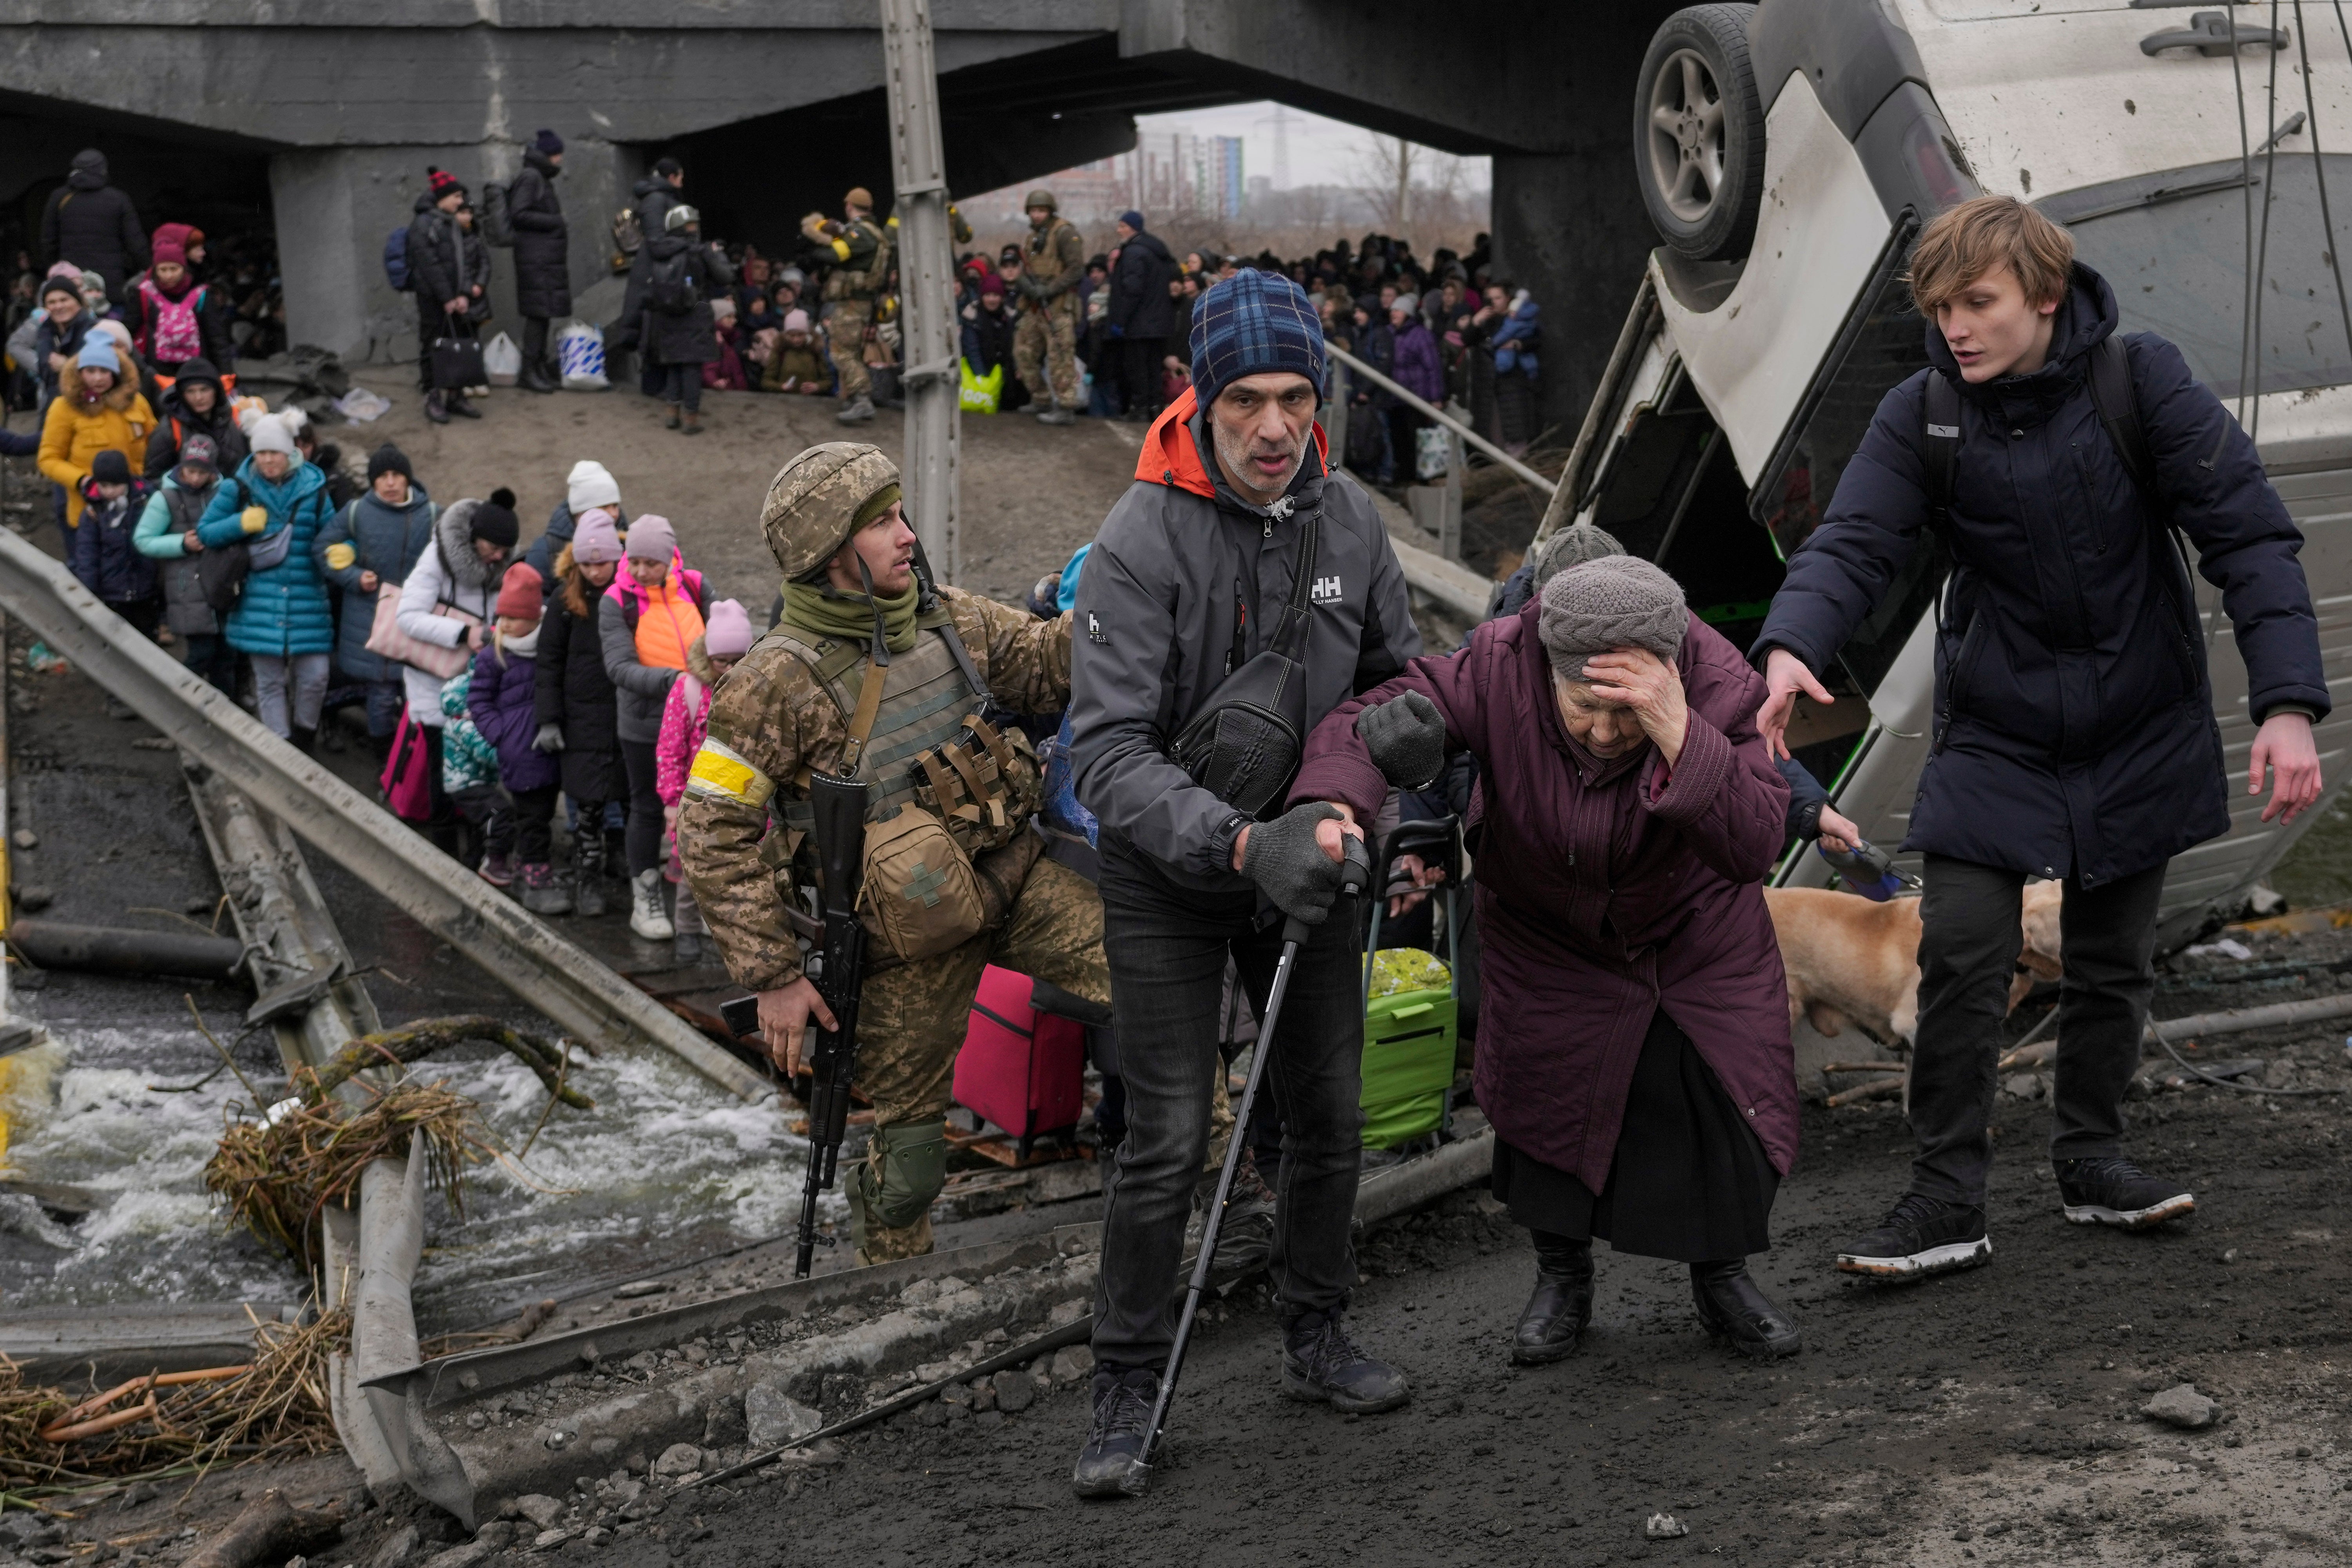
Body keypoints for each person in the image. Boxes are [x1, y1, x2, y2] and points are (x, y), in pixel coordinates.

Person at [1750, 195, 2328, 1280]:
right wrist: (1791, 646)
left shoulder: (2141, 381)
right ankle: (1944, 1200)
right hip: (1998, 730)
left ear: (2046, 297)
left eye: (1978, 303)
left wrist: (2287, 704)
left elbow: (2248, 536)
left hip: (2139, 718)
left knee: (2109, 962)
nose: (1954, 327)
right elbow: (1856, 539)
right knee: (1963, 950)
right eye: (1939, 308)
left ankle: (2093, 1160)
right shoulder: (1922, 412)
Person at [1065, 270, 1422, 1495]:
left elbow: (1397, 680)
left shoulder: (1353, 520)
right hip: (1169, 871)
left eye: (1294, 396)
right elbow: (1102, 757)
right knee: (1163, 1137)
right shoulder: (1136, 540)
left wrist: (1389, 784)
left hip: (1310, 857)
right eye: (1244, 402)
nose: (1273, 427)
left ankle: (1315, 1331)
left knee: (1327, 1117)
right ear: (1200, 400)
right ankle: (1122, 1383)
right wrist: (1235, 843)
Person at [1302, 556, 1804, 1367]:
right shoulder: (1500, 663)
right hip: (1545, 926)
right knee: (1545, 1104)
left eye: (1625, 715)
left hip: (1689, 933)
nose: (1605, 734)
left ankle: (1723, 1277)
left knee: (1714, 1106)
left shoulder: (1716, 679)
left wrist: (1681, 730)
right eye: (1584, 709)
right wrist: (1334, 801)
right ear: (1549, 668)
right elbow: (1368, 718)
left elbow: (1754, 842)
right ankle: (1561, 1277)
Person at [680, 441, 1103, 1266]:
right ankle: (889, 1290)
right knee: (909, 1168)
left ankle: (1217, 1198)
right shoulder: (773, 682)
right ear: (828, 552)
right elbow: (712, 829)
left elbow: (1050, 664)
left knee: (1163, 991)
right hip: (904, 947)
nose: (906, 534)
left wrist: (1124, 594)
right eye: (880, 523)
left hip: (1015, 879)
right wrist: (773, 974)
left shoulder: (948, 617)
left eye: (900, 514)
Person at [196, 416, 335, 748]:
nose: (268, 460)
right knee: (270, 681)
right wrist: (240, 522)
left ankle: (304, 737)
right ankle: (280, 747)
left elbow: (332, 536)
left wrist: (343, 552)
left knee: (315, 677)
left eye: (275, 453)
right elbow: (206, 532)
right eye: (261, 453)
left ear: (290, 452)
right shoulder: (237, 488)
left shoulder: (314, 490)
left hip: (307, 600)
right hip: (257, 600)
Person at [600, 514, 707, 939]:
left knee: (703, 805)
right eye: (634, 561)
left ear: (669, 559)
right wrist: (678, 682)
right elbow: (619, 666)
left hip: (700, 721)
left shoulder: (695, 587)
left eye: (650, 562)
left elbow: (722, 635)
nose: (641, 571)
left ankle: (698, 901)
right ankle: (644, 898)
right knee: (646, 806)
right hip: (643, 724)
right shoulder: (617, 601)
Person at [396, 489, 519, 832]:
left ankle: (474, 841)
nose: (497, 557)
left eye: (504, 551)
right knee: (441, 768)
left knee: (473, 768)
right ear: (473, 538)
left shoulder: (503, 563)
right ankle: (444, 842)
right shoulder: (437, 559)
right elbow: (407, 616)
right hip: (435, 684)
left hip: (477, 686)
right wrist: (464, 633)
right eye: (491, 548)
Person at [533, 509, 628, 917]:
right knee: (587, 805)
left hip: (624, 711)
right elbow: (548, 661)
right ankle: (587, 875)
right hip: (580, 717)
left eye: (602, 562)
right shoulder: (564, 600)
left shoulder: (630, 596)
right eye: (587, 563)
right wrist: (549, 718)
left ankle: (620, 857)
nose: (594, 571)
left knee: (627, 797)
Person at [316, 444, 437, 759]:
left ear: (408, 479)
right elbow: (323, 548)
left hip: (417, 620)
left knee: (415, 694)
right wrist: (353, 577)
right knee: (382, 695)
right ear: (373, 482)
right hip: (372, 621)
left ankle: (415, 760)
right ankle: (386, 759)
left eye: (397, 475)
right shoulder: (358, 512)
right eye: (382, 476)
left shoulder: (432, 514)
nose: (391, 483)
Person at [654, 597, 752, 965]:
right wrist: (671, 799)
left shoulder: (756, 690)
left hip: (742, 799)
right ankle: (688, 930)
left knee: (736, 872)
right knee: (690, 876)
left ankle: (726, 934)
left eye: (737, 660)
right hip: (693, 802)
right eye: (721, 661)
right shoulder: (688, 690)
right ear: (708, 656)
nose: (729, 668)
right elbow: (670, 749)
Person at [468, 565, 559, 890]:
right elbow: (478, 699)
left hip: (552, 745)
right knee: (532, 814)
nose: (505, 624)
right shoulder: (494, 655)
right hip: (519, 750)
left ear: (535, 618)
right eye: (502, 617)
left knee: (544, 810)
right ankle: (536, 871)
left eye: (514, 617)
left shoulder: (551, 645)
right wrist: (501, 734)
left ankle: (525, 860)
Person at [134, 433, 234, 691]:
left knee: (226, 657)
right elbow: (143, 540)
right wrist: (180, 544)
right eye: (191, 471)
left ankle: (227, 712)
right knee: (201, 653)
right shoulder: (165, 498)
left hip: (222, 583)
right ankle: (175, 699)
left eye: (203, 473)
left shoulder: (225, 493)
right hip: (187, 586)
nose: (196, 479)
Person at [40, 334, 154, 535]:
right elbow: (49, 459)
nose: (98, 378)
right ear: (79, 373)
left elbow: (155, 446)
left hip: (138, 510)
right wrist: (83, 481)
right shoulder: (64, 408)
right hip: (90, 514)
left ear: (116, 373)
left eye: (105, 371)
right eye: (90, 371)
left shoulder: (137, 403)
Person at [638, 204, 733, 437]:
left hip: (667, 315)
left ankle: (672, 414)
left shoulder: (660, 250)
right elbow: (725, 277)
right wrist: (716, 255)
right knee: (692, 367)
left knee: (674, 365)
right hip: (696, 313)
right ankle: (691, 418)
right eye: (692, 225)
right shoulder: (699, 250)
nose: (695, 229)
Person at [799, 187, 890, 424]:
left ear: (849, 206)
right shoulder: (873, 233)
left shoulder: (862, 232)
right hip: (860, 302)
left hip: (853, 304)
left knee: (841, 352)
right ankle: (855, 398)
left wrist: (813, 247)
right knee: (852, 351)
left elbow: (836, 255)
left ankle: (862, 401)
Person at [406, 168, 484, 425]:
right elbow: (430, 266)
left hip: (455, 299)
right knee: (433, 346)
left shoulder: (450, 222)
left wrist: (462, 294)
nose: (460, 202)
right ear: (443, 197)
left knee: (457, 343)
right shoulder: (423, 225)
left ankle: (456, 395)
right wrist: (447, 297)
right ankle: (433, 398)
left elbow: (463, 263)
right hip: (432, 299)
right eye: (457, 197)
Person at [1012, 189, 1085, 426]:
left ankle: (1065, 406)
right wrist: (1025, 284)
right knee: (1023, 351)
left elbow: (1076, 269)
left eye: (1042, 211)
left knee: (1060, 356)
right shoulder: (1032, 238)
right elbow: (1026, 269)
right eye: (1034, 211)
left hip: (1058, 306)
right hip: (1035, 304)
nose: (1037, 215)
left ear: (1050, 211)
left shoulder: (1065, 233)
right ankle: (1041, 399)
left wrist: (1049, 290)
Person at [69, 448, 161, 638]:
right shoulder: (94, 514)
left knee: (147, 638)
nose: (110, 492)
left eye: (115, 485)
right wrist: (89, 593)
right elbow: (87, 554)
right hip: (112, 592)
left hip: (145, 590)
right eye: (104, 486)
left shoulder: (144, 503)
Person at [507, 129, 570, 395]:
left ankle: (539, 369)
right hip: (536, 259)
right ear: (547, 155)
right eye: (558, 155)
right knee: (537, 315)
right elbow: (518, 213)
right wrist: (556, 222)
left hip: (543, 259)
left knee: (543, 315)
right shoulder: (531, 177)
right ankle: (528, 372)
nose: (560, 160)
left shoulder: (539, 177)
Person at [40, 150, 145, 303]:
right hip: (110, 284)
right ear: (103, 170)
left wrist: (54, 271)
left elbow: (48, 243)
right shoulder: (119, 199)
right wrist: (150, 270)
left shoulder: (59, 197)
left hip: (72, 282)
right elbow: (136, 244)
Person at [129, 237, 233, 379]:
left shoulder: (202, 294)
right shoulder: (144, 294)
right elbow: (129, 331)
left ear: (184, 268)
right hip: (157, 373)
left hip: (198, 370)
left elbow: (217, 337)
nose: (169, 275)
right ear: (155, 270)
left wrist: (226, 374)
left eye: (174, 269)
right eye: (163, 270)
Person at [1108, 210, 1175, 426]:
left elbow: (1132, 290)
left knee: (1137, 367)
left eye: (1122, 226)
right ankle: (1156, 408)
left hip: (1139, 323)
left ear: (1132, 227)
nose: (1119, 230)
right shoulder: (1157, 251)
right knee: (1154, 367)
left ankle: (1140, 409)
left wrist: (1120, 320)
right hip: (1159, 322)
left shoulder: (1134, 253)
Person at [143, 357, 245, 480]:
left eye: (205, 390)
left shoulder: (235, 418)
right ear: (182, 395)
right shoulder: (170, 429)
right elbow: (153, 477)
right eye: (191, 392)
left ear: (217, 391)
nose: (198, 398)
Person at [524, 459, 624, 581]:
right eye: (604, 507)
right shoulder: (545, 551)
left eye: (615, 505)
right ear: (580, 512)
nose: (614, 514)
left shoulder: (628, 543)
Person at [1387, 294, 1443, 479]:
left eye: (1398, 310)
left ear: (1408, 314)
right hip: (1395, 399)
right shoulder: (1389, 333)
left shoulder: (1421, 336)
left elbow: (1433, 367)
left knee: (1414, 441)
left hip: (1416, 398)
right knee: (1399, 440)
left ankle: (1417, 478)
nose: (1393, 313)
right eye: (1393, 310)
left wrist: (1436, 398)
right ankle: (1403, 477)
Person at [31, 274, 92, 409]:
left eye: (64, 300)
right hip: (54, 406)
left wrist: (67, 366)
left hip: (87, 406)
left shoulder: (93, 331)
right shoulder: (45, 333)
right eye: (52, 302)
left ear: (78, 302)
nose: (58, 306)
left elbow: (100, 376)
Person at [762, 309, 829, 396]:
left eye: (800, 335)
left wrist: (817, 387)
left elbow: (828, 380)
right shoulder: (780, 351)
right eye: (792, 335)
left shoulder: (815, 350)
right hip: (785, 402)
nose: (796, 340)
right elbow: (766, 381)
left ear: (807, 333)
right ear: (786, 335)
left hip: (812, 403)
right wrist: (781, 387)